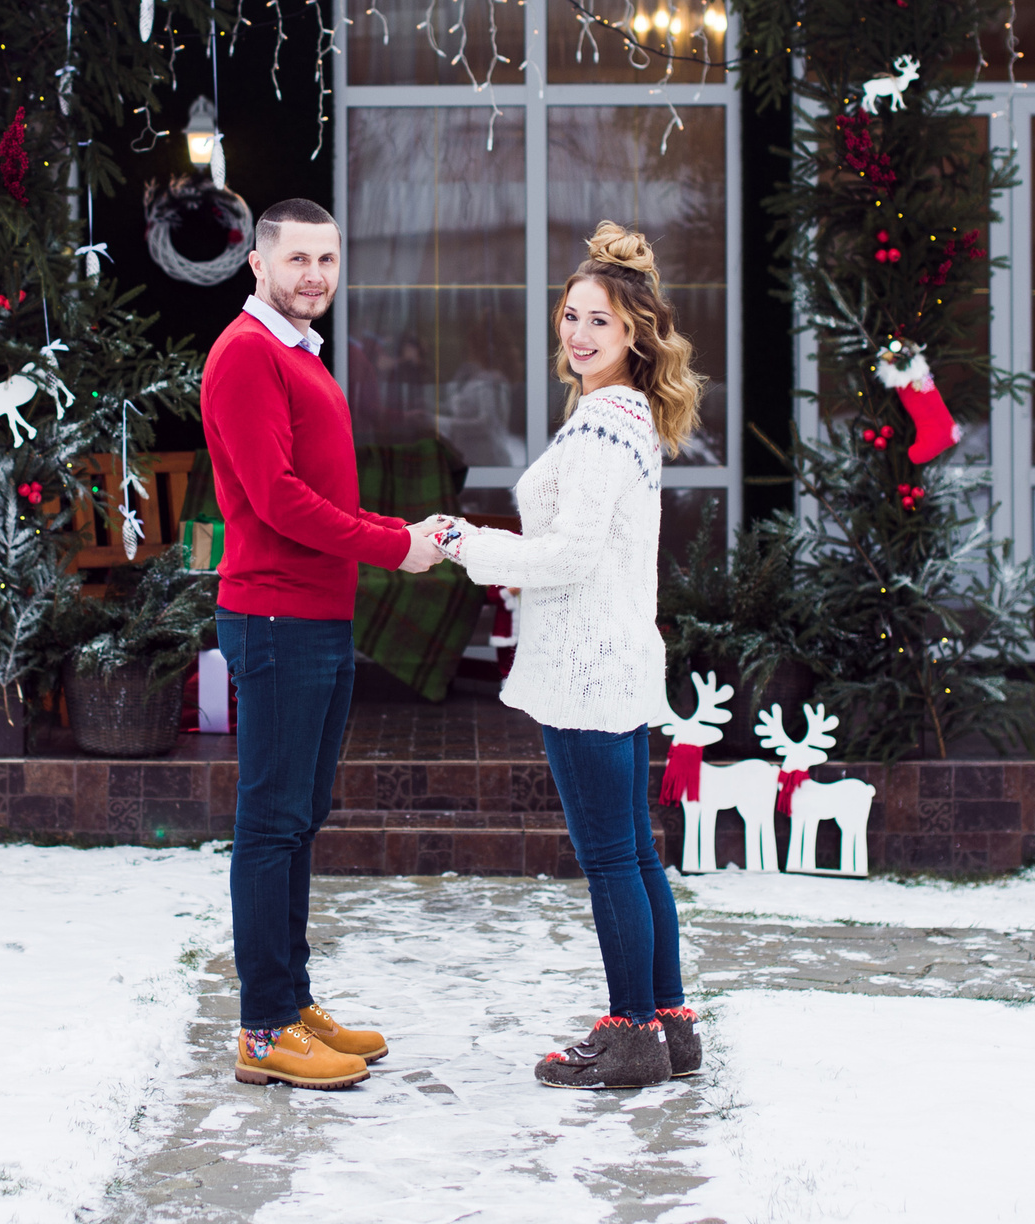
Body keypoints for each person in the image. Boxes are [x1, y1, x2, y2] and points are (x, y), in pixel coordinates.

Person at [433, 222, 704, 1089]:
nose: (580, 335)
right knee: (634, 850)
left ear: (635, 335)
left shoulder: (600, 429)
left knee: (612, 858)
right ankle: (667, 1020)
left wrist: (468, 545)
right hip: (616, 660)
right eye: (572, 317)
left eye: (601, 322)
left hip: (588, 670)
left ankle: (630, 1035)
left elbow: (570, 556)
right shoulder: (626, 418)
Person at [200, 196, 453, 1091]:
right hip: (275, 619)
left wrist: (397, 527)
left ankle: (290, 1002)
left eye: (328, 261)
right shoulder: (245, 356)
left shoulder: (296, 355)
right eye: (298, 259)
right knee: (270, 823)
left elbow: (322, 495)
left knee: (300, 820)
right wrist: (392, 546)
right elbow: (275, 500)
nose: (315, 276)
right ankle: (263, 1030)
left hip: (315, 617)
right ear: (257, 265)